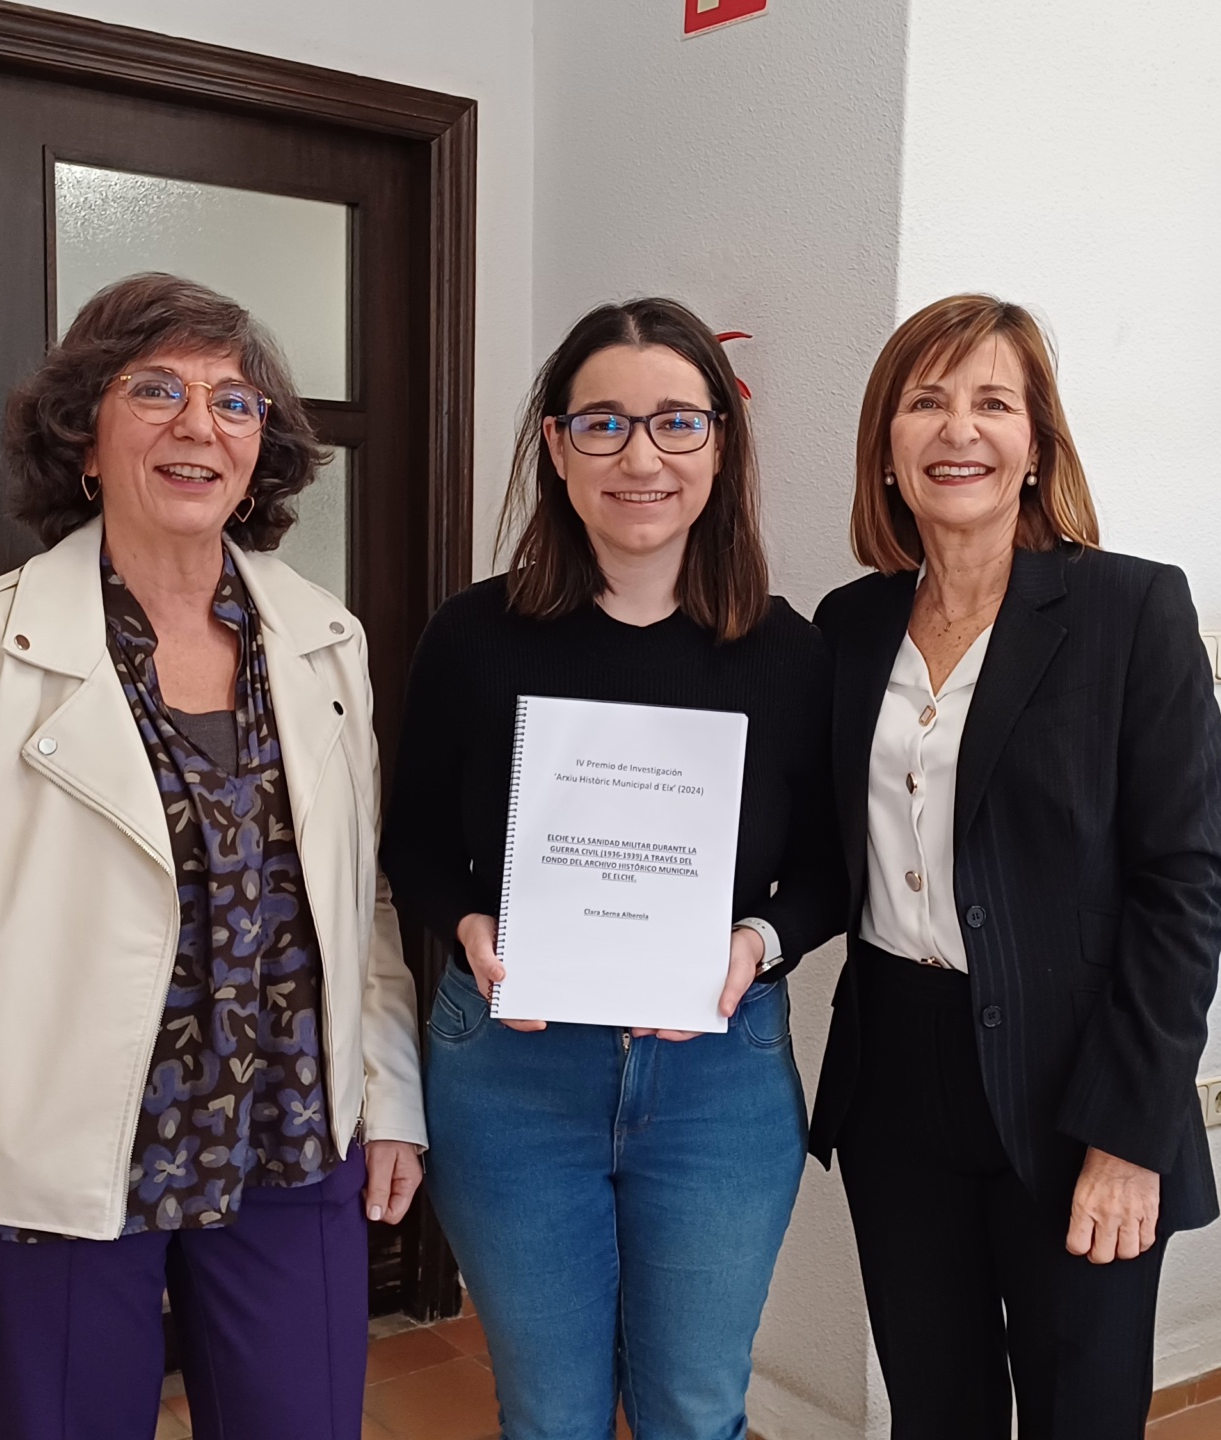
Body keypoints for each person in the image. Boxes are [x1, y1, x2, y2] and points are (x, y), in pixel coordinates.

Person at [0, 272, 426, 1439]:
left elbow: (357, 904)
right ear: (84, 439)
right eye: (155, 390)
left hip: (291, 1146)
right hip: (57, 1174)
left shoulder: (324, 639)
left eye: (235, 401)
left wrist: (388, 1094)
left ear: (264, 448)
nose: (199, 425)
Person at [381, 298, 845, 1440]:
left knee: (694, 1410)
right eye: (604, 424)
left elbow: (835, 867)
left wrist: (756, 942)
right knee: (551, 1416)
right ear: (555, 446)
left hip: (717, 1083)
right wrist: (469, 928)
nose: (641, 456)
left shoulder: (790, 653)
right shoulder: (472, 636)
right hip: (511, 1071)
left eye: (676, 423)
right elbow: (415, 842)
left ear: (719, 448)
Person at [807, 294, 1221, 1437]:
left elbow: (1182, 888)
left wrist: (1128, 1135)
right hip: (895, 1075)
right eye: (926, 402)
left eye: (993, 402)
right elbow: (803, 845)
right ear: (886, 445)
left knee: (1077, 1414)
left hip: (1073, 1080)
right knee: (932, 1410)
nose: (959, 431)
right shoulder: (847, 627)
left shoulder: (1129, 609)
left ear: (1036, 443)